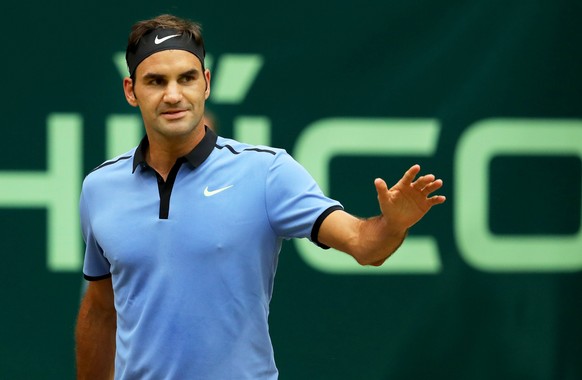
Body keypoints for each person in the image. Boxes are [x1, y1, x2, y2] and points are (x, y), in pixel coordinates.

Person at [75, 13, 446, 380]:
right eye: (156, 81)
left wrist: (392, 225)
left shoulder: (268, 173)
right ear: (130, 91)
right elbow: (100, 311)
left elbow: (365, 245)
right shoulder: (100, 188)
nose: (173, 95)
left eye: (186, 78)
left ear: (205, 83)